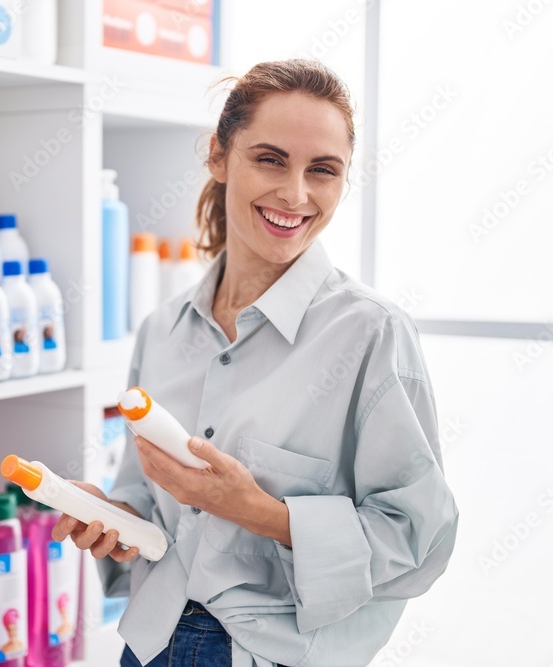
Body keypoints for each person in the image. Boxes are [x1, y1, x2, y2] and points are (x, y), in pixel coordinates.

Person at [52, 59, 459, 667]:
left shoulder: (372, 333)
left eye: (322, 171)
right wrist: (117, 519)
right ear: (218, 157)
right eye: (270, 159)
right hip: (149, 643)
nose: (295, 195)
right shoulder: (162, 332)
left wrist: (261, 513)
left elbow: (417, 539)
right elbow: (144, 492)